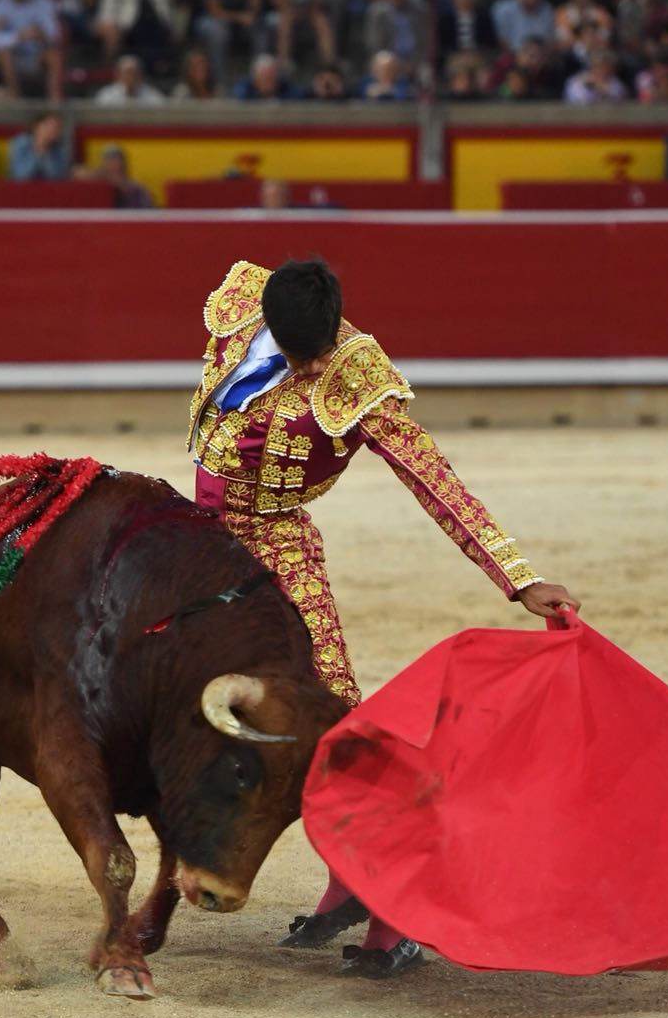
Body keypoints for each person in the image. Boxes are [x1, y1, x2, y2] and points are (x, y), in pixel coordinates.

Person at [188, 256, 580, 974]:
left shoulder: (356, 376)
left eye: (316, 356)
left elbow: (433, 479)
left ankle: (384, 909)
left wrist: (518, 578)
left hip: (278, 549)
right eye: (299, 355)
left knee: (331, 725)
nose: (309, 368)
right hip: (197, 544)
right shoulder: (244, 306)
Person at [7, 111, 69, 180]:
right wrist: (38, 151)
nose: (53, 130)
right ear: (36, 127)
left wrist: (46, 151)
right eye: (48, 125)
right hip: (21, 190)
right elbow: (20, 176)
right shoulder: (21, 143)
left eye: (57, 127)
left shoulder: (59, 149)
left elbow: (58, 178)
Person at [94, 53, 165, 106]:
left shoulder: (153, 96)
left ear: (140, 75)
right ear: (118, 75)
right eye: (127, 73)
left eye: (134, 73)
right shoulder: (106, 96)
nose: (131, 77)